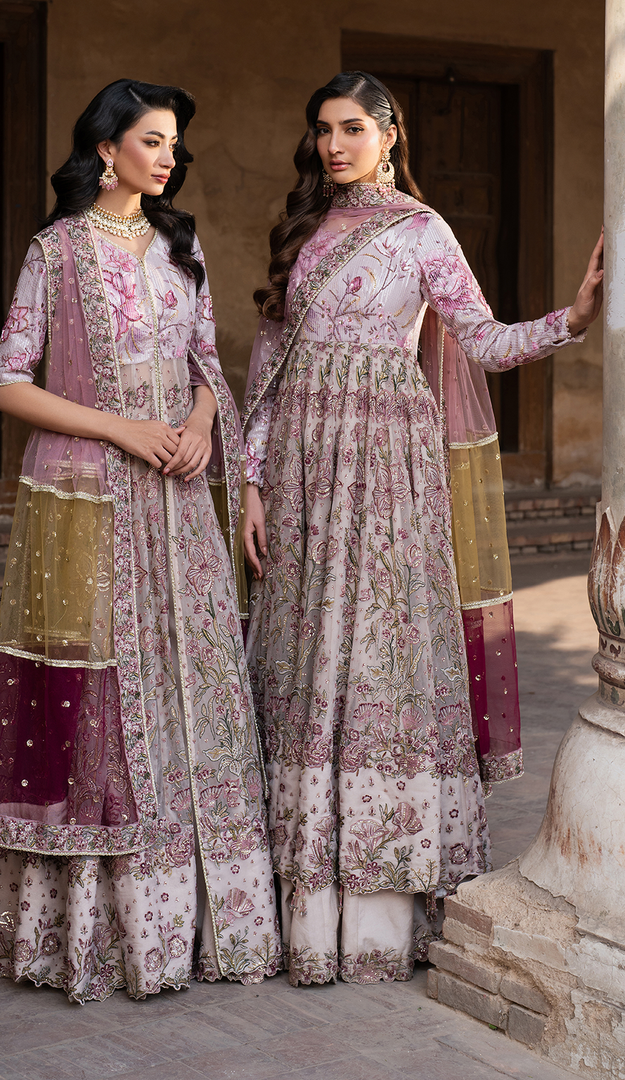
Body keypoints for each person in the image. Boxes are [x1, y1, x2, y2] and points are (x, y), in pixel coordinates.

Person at [242, 70, 603, 986]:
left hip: (388, 470)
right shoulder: (306, 231)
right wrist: (249, 483)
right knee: (301, 650)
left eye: (352, 128)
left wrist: (572, 319)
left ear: (390, 134)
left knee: (380, 652)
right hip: (303, 468)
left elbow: (483, 339)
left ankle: (377, 898)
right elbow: (270, 366)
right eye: (323, 129)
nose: (334, 145)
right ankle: (295, 894)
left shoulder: (423, 230)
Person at [0, 78, 280, 1003]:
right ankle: (95, 924)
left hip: (179, 504)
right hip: (91, 496)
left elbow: (206, 362)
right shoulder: (56, 251)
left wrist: (202, 423)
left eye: (174, 142)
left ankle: (198, 915)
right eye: (151, 140)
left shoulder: (182, 247)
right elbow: (5, 381)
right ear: (108, 149)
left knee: (191, 682)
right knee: (95, 685)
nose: (168, 156)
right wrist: (122, 429)